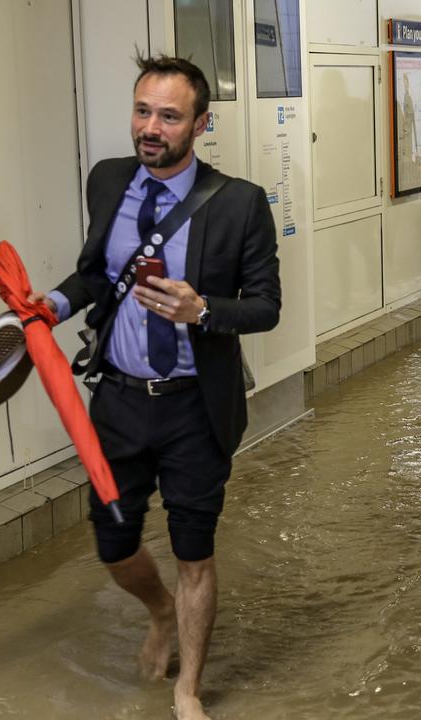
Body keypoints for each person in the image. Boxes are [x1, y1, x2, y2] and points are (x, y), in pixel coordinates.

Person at [30, 54, 281, 720]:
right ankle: (160, 610)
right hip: (116, 402)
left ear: (200, 123)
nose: (150, 127)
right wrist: (50, 305)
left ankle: (188, 688)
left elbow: (265, 306)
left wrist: (203, 311)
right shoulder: (108, 181)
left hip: (195, 405)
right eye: (143, 110)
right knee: (113, 542)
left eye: (168, 116)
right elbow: (93, 275)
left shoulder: (239, 204)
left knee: (195, 550)